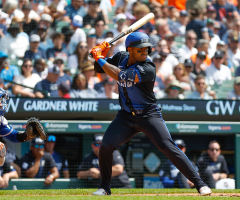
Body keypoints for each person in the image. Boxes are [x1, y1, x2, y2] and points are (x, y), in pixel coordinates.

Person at [90, 32, 211, 196]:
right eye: (140, 49)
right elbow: (99, 68)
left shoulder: (148, 67)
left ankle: (200, 184)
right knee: (105, 146)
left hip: (148, 115)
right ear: (130, 50)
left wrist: (99, 57)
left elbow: (120, 76)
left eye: (146, 49)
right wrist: (101, 53)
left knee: (167, 146)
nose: (144, 52)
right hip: (126, 116)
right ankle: (105, 187)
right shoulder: (120, 57)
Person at [0, 88, 48, 195]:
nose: (1, 105)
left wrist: (27, 135)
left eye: (1, 101)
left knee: (0, 150)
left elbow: (14, 136)